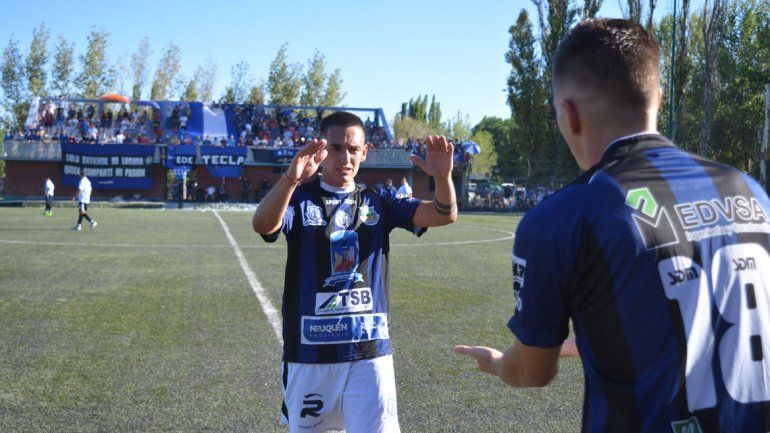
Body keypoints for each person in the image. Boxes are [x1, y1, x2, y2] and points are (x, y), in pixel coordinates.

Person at [453, 18, 770, 432]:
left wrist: (499, 364)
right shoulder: (748, 189)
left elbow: (533, 370)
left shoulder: (564, 217)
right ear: (658, 99)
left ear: (569, 114)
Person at [252, 111, 457, 433]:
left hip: (369, 351)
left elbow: (443, 214)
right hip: (310, 353)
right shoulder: (300, 198)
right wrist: (291, 179)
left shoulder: (380, 201)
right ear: (321, 151)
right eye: (335, 148)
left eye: (352, 149)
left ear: (364, 152)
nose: (344, 157)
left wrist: (443, 178)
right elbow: (263, 225)